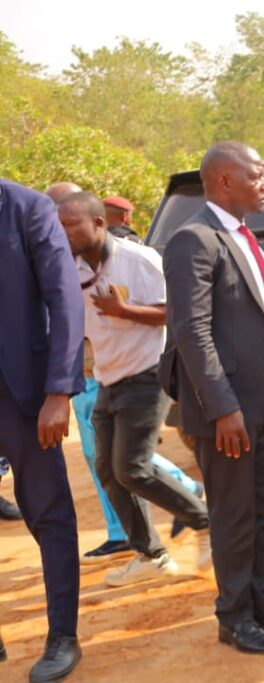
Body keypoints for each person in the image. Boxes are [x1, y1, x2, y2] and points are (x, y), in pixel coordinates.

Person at [162, 141, 264, 654]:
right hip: (225, 411)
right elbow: (192, 332)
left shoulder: (243, 238)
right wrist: (223, 408)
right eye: (255, 176)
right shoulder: (194, 240)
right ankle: (233, 616)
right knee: (232, 514)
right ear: (225, 181)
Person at [57, 192, 210, 586]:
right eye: (59, 225)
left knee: (133, 468)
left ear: (98, 223)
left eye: (71, 224)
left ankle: (206, 521)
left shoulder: (137, 260)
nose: (64, 232)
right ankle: (151, 554)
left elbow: (177, 313)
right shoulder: (69, 267)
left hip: (147, 373)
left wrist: (125, 312)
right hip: (108, 377)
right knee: (108, 470)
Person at [0, 178, 84, 682]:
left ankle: (62, 637)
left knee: (49, 515)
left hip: (24, 397)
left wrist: (59, 390)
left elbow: (65, 296)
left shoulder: (27, 208)